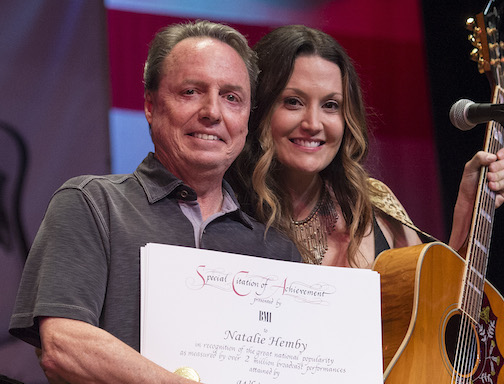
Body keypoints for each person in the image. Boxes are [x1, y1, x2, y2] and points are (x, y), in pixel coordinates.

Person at [9, 20, 300, 383]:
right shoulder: (93, 205)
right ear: (150, 105)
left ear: (246, 119)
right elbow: (64, 345)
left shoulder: (276, 250)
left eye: (231, 97)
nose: (213, 111)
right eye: (191, 91)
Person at [228, 24, 504, 267]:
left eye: (330, 105)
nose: (313, 123)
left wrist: (466, 208)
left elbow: (434, 315)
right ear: (259, 106)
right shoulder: (221, 207)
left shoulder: (376, 207)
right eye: (293, 101)